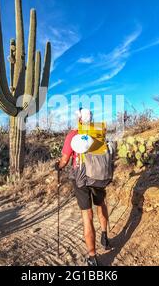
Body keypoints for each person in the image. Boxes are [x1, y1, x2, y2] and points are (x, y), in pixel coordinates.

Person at [55, 108, 111, 266]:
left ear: (79, 119)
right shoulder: (98, 131)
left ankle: (92, 257)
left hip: (81, 179)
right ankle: (105, 236)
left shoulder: (73, 134)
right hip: (99, 175)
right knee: (101, 204)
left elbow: (65, 160)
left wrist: (57, 166)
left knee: (87, 216)